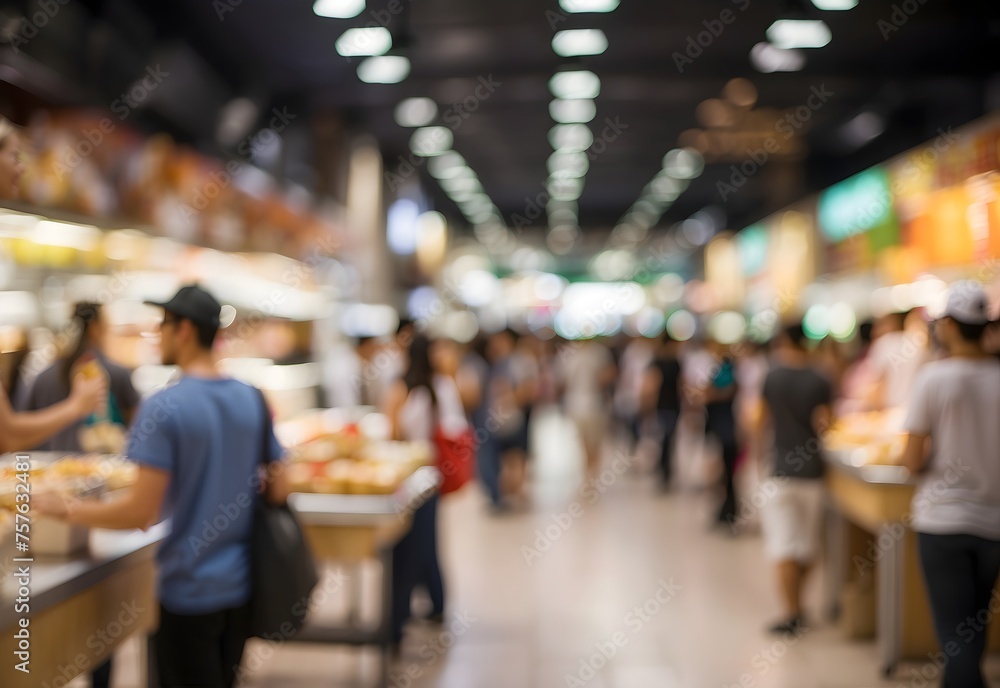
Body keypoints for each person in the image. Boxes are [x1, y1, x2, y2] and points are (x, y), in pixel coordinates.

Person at [35, 285, 290, 688]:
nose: (157, 333)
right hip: (242, 586)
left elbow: (140, 512)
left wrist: (66, 509)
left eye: (163, 324)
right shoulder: (252, 398)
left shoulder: (165, 407)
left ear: (184, 330)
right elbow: (279, 488)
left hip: (188, 592)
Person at [901, 281, 1000, 688]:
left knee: (954, 636)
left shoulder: (934, 378)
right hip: (994, 524)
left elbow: (910, 459)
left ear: (952, 327)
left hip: (942, 522)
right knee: (976, 626)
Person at [383, 334, 467, 640]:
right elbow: (457, 428)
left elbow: (391, 432)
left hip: (407, 477)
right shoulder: (441, 386)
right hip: (432, 476)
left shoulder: (402, 388)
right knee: (426, 542)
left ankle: (398, 617)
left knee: (405, 547)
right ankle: (435, 602)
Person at [757, 323, 833, 633]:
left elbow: (760, 420)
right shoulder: (820, 377)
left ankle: (792, 611)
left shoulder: (772, 376)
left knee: (784, 545)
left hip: (780, 470)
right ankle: (800, 605)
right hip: (813, 472)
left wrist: (757, 457)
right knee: (808, 544)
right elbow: (826, 423)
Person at [19, 302, 140, 451]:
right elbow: (138, 424)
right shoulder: (116, 373)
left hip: (47, 466)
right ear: (95, 328)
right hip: (103, 467)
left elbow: (22, 426)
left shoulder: (44, 377)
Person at [559, 336, 617, 478]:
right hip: (588, 403)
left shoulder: (572, 354)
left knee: (588, 442)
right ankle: (590, 474)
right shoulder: (598, 353)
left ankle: (589, 474)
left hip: (582, 403)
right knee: (592, 443)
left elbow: (562, 382)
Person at [702, 338, 740, 526]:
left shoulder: (727, 369)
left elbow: (726, 390)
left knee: (728, 470)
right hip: (721, 424)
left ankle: (729, 509)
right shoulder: (721, 368)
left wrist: (710, 395)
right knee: (725, 469)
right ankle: (726, 509)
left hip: (727, 425)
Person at [643, 333, 683, 489]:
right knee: (668, 439)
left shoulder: (661, 362)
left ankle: (664, 468)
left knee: (665, 439)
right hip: (669, 406)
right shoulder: (671, 362)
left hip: (666, 406)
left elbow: (652, 385)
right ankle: (665, 469)